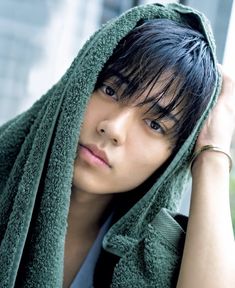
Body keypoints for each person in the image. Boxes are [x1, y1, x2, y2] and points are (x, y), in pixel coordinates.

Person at [0, 3, 234, 288]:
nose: (114, 129)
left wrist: (212, 157)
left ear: (173, 157)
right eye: (110, 90)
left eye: (155, 125)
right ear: (80, 82)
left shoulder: (155, 261)